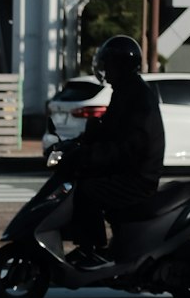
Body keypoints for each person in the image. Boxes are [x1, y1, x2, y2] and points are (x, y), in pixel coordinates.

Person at [64, 35, 165, 268]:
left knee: (87, 191)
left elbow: (129, 146)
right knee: (80, 182)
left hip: (138, 176)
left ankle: (95, 250)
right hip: (127, 169)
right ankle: (94, 247)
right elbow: (108, 130)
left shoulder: (138, 97)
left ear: (121, 65)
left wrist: (91, 156)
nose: (105, 69)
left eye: (108, 64)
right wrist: (78, 144)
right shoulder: (123, 91)